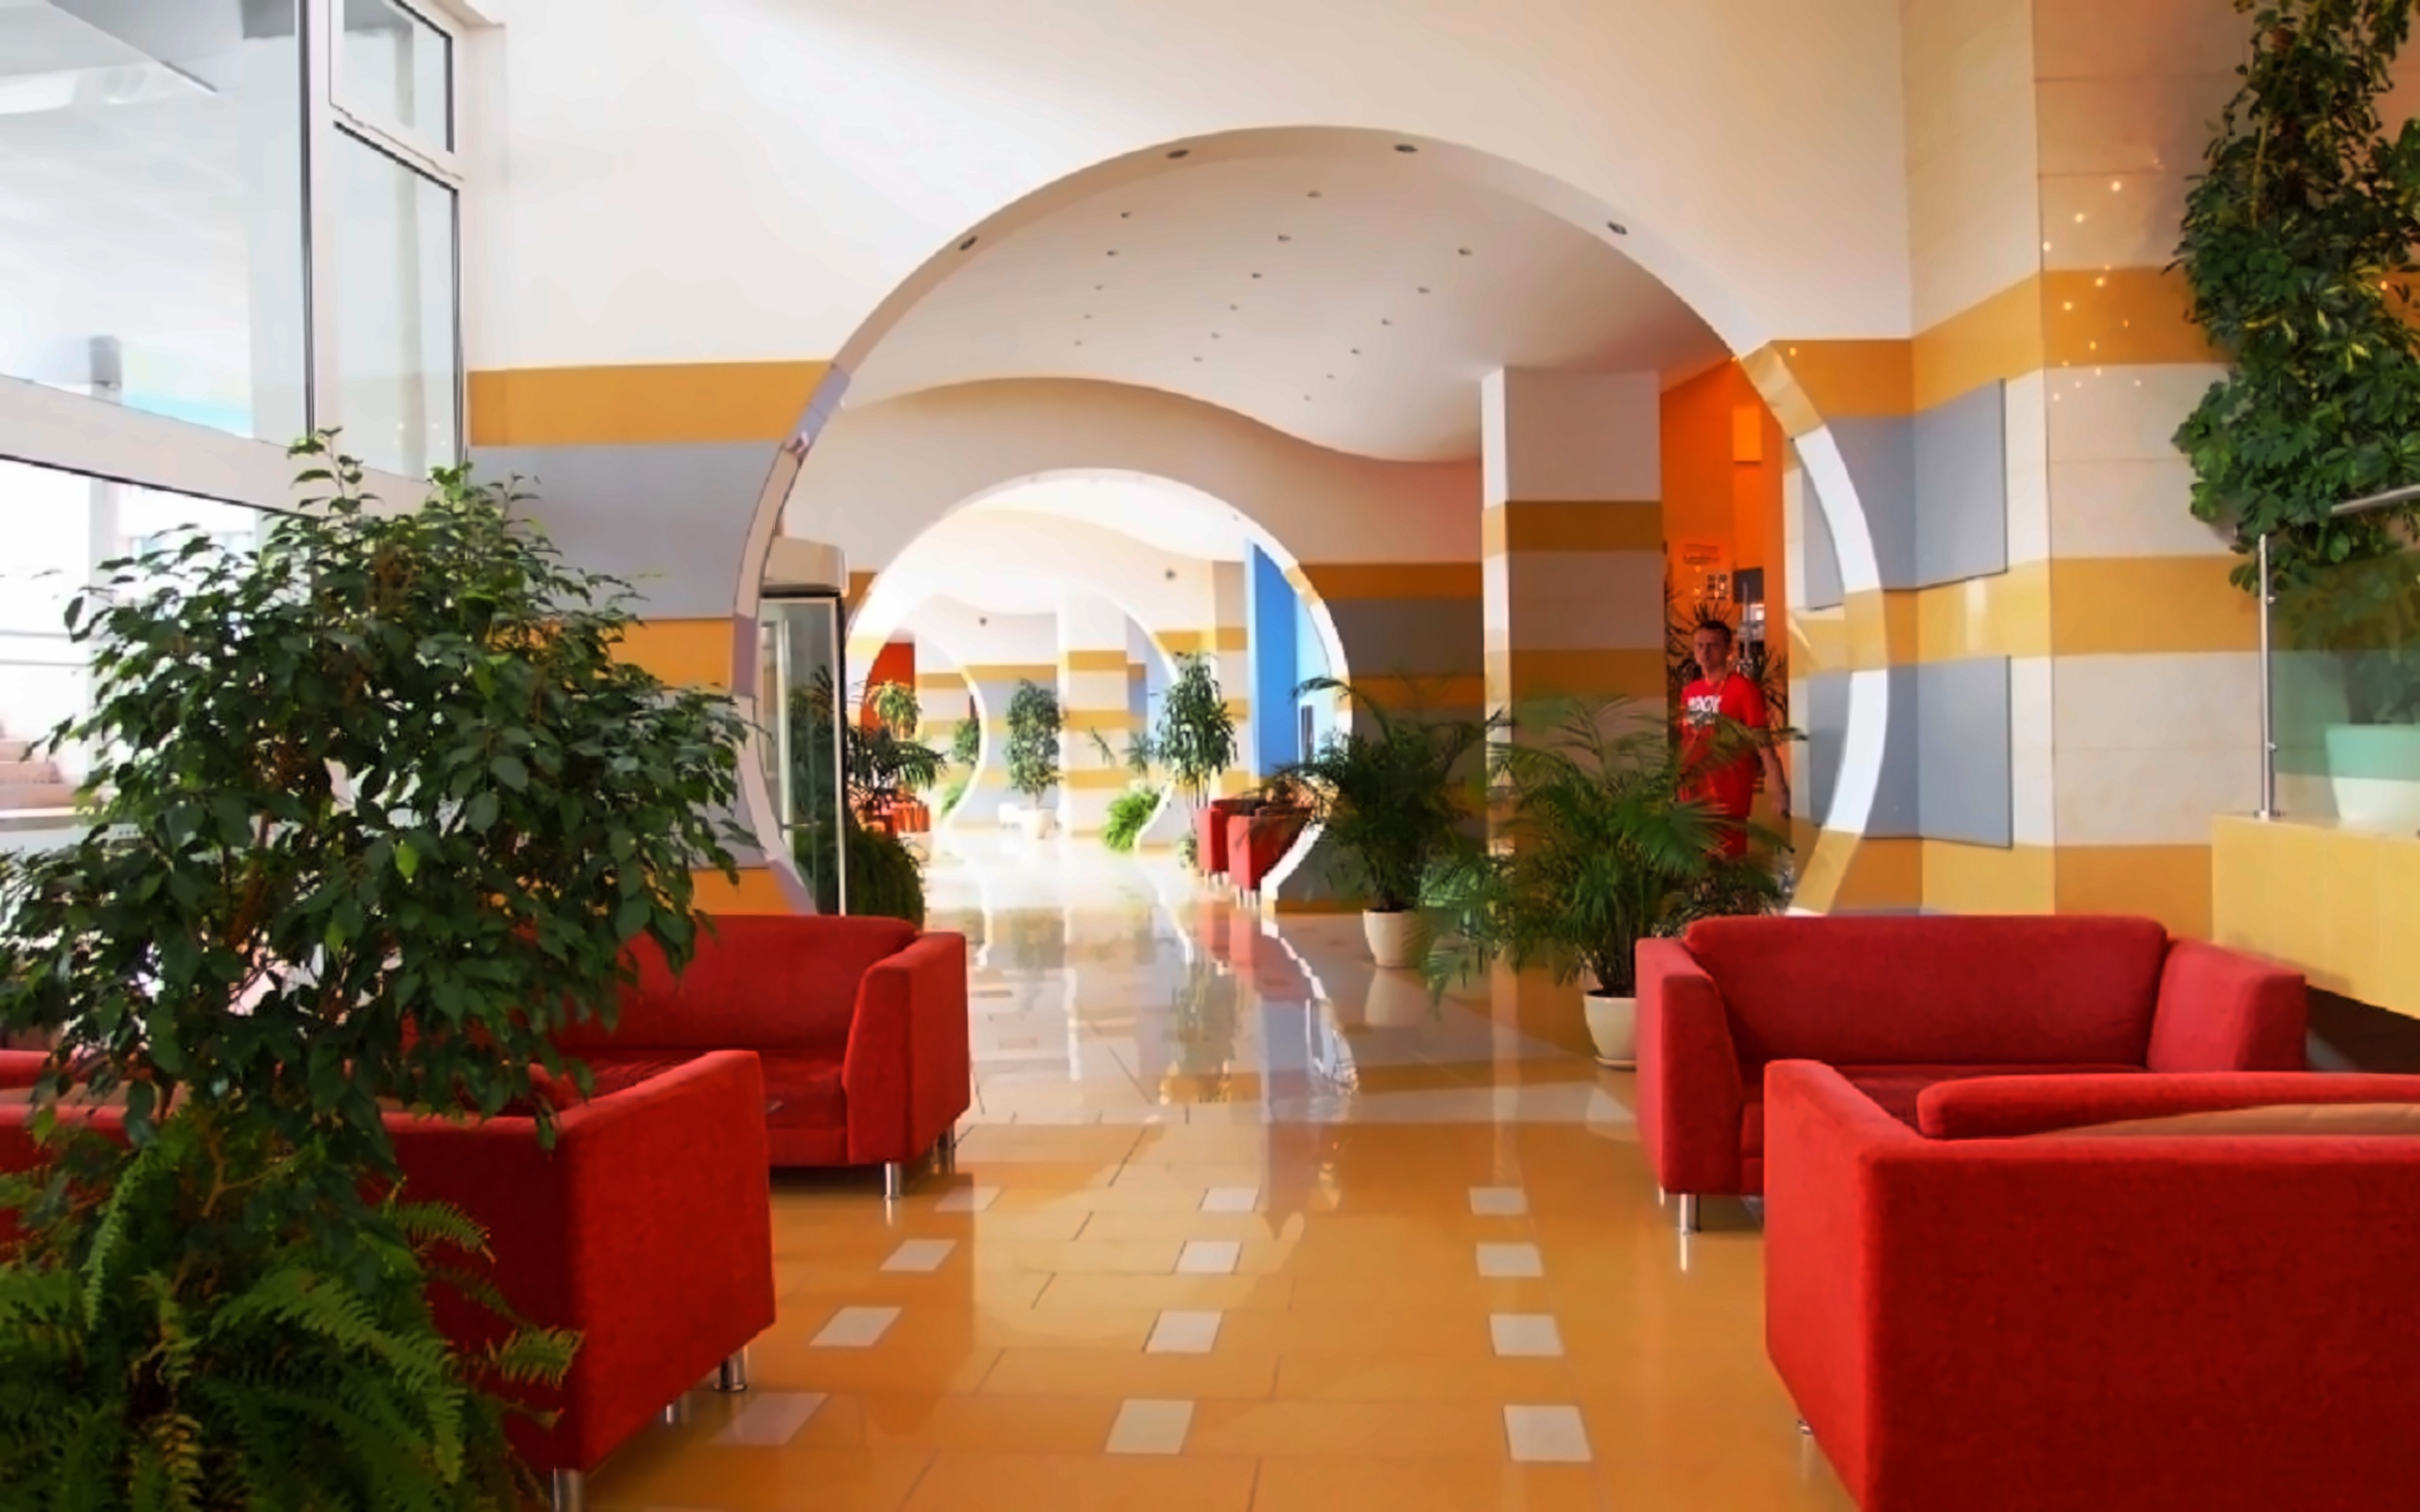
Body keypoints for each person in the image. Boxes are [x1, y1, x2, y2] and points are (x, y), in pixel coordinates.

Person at [1681, 619, 1789, 858]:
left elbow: (1763, 743)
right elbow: (1686, 740)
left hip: (1728, 793)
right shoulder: (1690, 691)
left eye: (1712, 645)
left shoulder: (1743, 689)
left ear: (1728, 649)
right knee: (1695, 867)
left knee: (1728, 863)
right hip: (1692, 795)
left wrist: (1780, 791)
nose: (1704, 652)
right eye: (1699, 645)